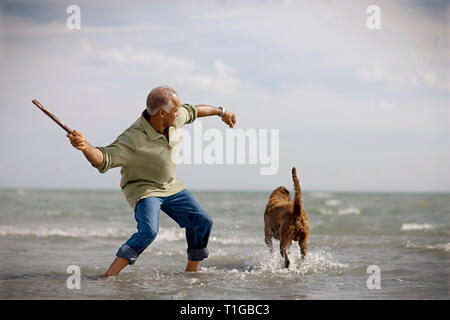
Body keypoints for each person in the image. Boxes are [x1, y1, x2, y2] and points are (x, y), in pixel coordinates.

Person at [66, 86, 236, 276]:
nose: (179, 112)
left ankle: (191, 275)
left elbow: (195, 110)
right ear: (162, 113)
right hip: (144, 188)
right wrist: (85, 147)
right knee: (149, 231)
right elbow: (104, 158)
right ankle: (109, 276)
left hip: (170, 185)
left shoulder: (175, 118)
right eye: (175, 109)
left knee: (202, 222)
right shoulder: (133, 138)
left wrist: (222, 112)